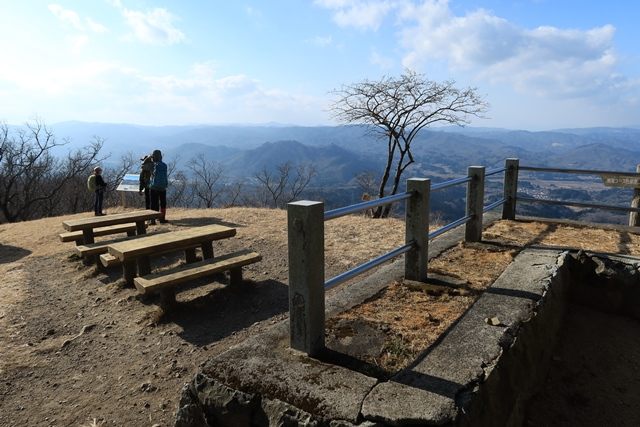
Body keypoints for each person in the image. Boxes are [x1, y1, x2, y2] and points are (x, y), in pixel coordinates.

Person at [149, 149, 168, 224]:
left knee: (154, 204)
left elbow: (144, 167)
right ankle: (162, 219)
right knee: (163, 203)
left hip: (154, 187)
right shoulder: (164, 165)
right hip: (163, 187)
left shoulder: (153, 165)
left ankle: (153, 220)